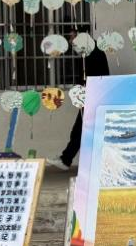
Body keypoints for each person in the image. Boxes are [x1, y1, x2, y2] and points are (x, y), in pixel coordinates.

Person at [47, 26, 110, 170]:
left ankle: (67, 160)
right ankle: (68, 159)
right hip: (92, 96)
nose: (70, 41)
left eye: (72, 37)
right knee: (82, 130)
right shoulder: (88, 50)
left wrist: (84, 95)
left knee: (81, 130)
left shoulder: (92, 51)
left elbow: (92, 76)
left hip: (93, 97)